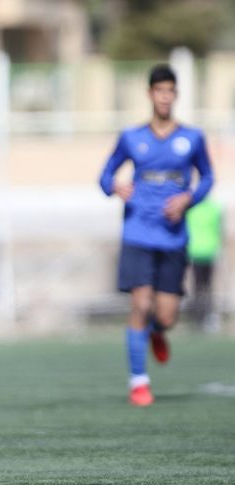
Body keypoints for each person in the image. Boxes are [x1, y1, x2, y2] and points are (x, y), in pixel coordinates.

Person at [99, 64, 214, 407]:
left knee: (166, 316)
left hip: (173, 237)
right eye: (159, 90)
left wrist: (188, 198)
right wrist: (114, 186)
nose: (165, 97)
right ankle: (139, 381)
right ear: (150, 94)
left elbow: (208, 177)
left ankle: (156, 332)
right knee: (140, 303)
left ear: (175, 95)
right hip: (138, 232)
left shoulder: (191, 138)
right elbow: (104, 176)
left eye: (170, 91)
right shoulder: (131, 137)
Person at [186, 197, 224, 332]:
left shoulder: (192, 208)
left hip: (195, 252)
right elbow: (219, 229)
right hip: (209, 251)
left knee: (198, 286)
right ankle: (204, 315)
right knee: (206, 286)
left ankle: (199, 316)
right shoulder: (214, 208)